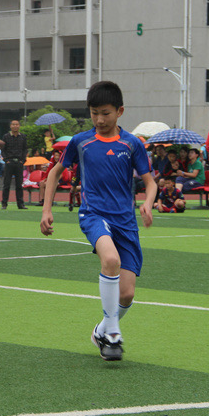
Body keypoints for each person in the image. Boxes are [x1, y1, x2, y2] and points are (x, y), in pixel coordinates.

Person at [40, 81, 156, 362]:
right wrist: (46, 210)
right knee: (110, 260)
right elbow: (55, 173)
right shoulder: (81, 142)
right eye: (94, 113)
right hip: (94, 215)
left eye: (105, 113)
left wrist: (148, 203)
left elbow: (150, 182)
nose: (100, 120)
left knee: (126, 294)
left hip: (126, 221)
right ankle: (113, 334)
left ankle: (102, 330)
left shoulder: (132, 144)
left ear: (120, 111)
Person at [0, 119, 28, 210]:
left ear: (19, 126)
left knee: (19, 185)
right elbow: (3, 149)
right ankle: (4, 204)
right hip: (9, 162)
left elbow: (25, 149)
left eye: (17, 124)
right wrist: (6, 160)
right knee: (6, 184)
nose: (15, 126)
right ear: (10, 126)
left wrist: (22, 160)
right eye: (13, 124)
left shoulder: (23, 137)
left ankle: (20, 204)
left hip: (19, 162)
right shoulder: (6, 136)